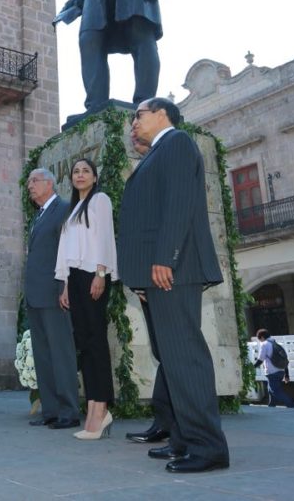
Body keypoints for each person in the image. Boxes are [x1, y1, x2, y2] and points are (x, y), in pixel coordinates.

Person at [119, 96, 229, 474]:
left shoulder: (178, 142)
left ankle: (207, 447)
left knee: (185, 358)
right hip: (158, 275)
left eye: (139, 115)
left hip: (173, 270)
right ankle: (182, 440)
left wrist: (166, 257)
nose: (134, 123)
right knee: (173, 360)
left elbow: (179, 204)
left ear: (162, 114)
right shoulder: (157, 151)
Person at [57, 159, 117, 439]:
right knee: (84, 343)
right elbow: (66, 251)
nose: (80, 175)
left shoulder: (100, 200)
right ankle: (93, 405)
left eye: (85, 171)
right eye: (76, 171)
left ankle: (101, 407)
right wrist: (66, 285)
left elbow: (104, 237)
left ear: (95, 177)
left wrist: (101, 273)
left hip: (94, 274)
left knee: (96, 341)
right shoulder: (72, 211)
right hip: (75, 278)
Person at [23, 168, 80, 430]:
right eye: (28, 182)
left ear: (49, 183)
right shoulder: (39, 215)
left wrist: (66, 286)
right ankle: (51, 411)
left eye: (34, 181)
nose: (29, 186)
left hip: (55, 293)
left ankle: (69, 411)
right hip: (35, 295)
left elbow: (69, 251)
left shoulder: (64, 208)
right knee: (43, 355)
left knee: (61, 354)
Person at [125, 132, 170, 445]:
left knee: (171, 353)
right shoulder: (143, 175)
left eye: (142, 140)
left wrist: (161, 264)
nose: (135, 139)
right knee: (161, 352)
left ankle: (171, 425)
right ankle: (164, 422)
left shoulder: (168, 162)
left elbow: (165, 222)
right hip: (148, 279)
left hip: (164, 275)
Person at [255, 329, 294, 408]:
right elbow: (285, 360)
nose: (260, 341)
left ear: (262, 337)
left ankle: (291, 405)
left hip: (272, 372)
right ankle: (271, 406)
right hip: (281, 371)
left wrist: (252, 367)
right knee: (270, 390)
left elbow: (260, 359)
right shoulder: (278, 344)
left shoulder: (265, 344)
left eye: (259, 339)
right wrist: (287, 375)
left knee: (275, 391)